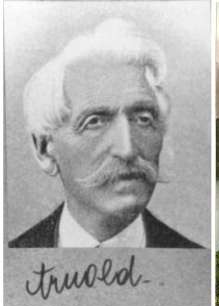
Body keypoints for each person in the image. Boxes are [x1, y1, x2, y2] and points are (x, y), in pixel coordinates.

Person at [9, 19, 202, 248]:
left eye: (143, 120)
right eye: (95, 122)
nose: (127, 149)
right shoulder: (12, 265)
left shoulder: (196, 265)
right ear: (44, 149)